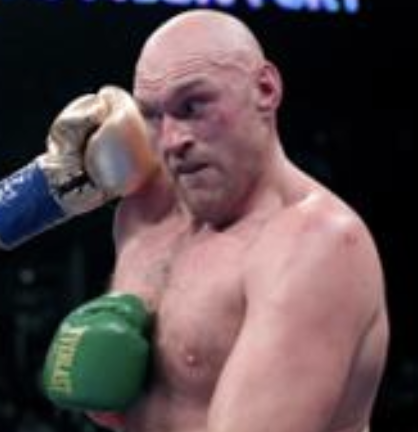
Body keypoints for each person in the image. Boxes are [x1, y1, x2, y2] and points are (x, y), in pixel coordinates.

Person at [8, 9, 390, 432]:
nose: (172, 141)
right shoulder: (144, 209)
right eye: (153, 115)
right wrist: (40, 190)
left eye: (193, 106)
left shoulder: (318, 246)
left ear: (265, 89)